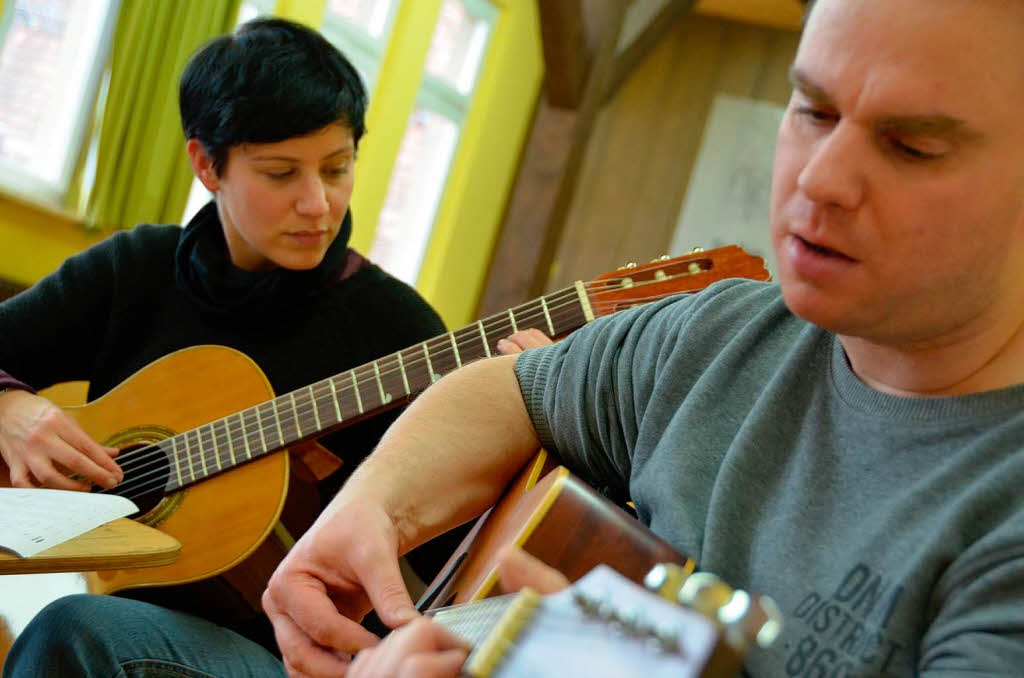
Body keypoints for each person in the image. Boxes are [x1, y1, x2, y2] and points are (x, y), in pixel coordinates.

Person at [255, 0, 1024, 676]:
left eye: (912, 146)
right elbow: (517, 390)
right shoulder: (722, 333)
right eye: (813, 111)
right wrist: (375, 508)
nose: (820, 179)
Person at [0, 15, 544, 678]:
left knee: (76, 633)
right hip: (140, 617)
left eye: (338, 169)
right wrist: (11, 409)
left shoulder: (390, 326)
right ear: (207, 164)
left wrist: (527, 416)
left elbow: (472, 554)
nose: (318, 204)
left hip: (298, 658)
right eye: (281, 173)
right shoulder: (135, 272)